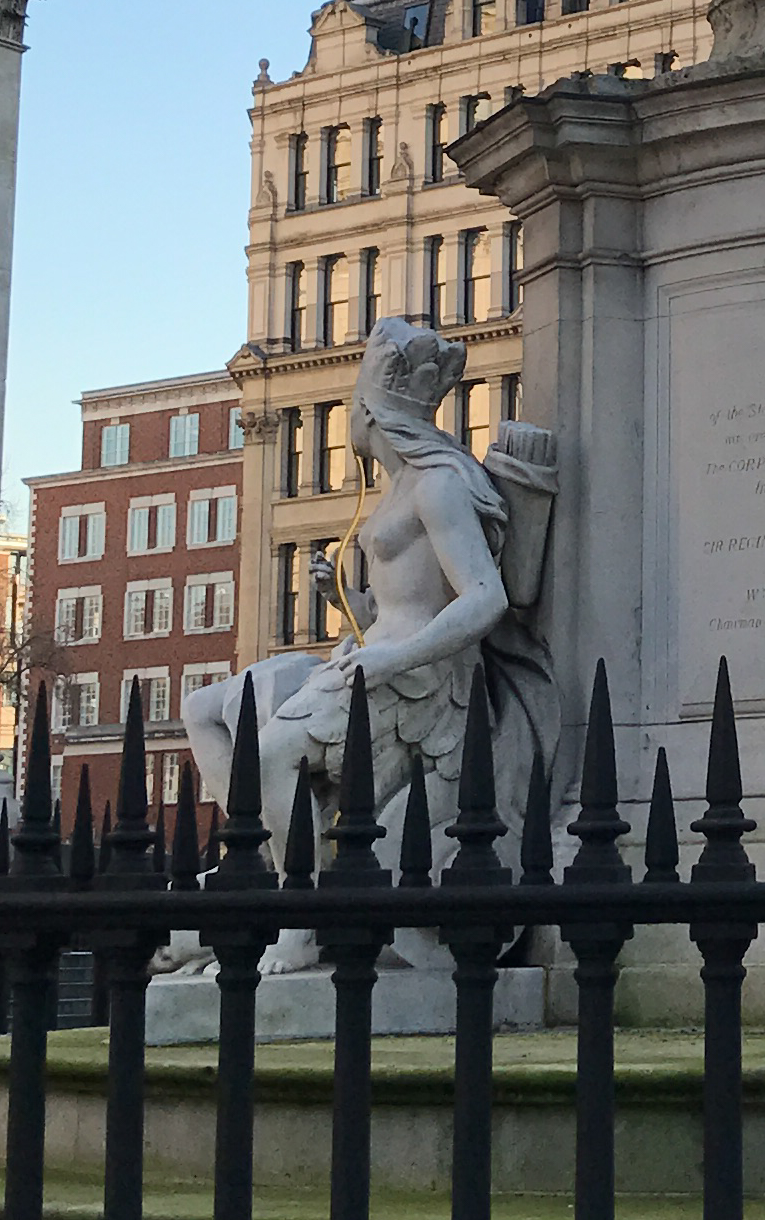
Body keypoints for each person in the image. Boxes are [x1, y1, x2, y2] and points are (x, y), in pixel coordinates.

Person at [184, 321, 553, 853]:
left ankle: (299, 894)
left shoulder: (437, 484)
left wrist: (393, 658)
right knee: (202, 710)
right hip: (365, 659)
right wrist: (349, 603)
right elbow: (405, 601)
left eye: (355, 404)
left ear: (371, 413)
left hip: (416, 682)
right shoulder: (397, 488)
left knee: (267, 760)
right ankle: (262, 855)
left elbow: (484, 596)